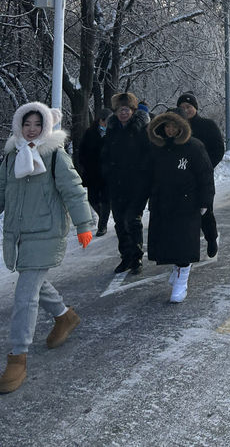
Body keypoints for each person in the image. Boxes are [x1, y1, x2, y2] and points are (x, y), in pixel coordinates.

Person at [0, 102, 93, 394]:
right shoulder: (11, 156)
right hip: (19, 234)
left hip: (47, 232)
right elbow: (2, 191)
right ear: (19, 126)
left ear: (45, 127)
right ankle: (65, 316)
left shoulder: (55, 156)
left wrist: (84, 225)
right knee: (35, 284)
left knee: (25, 293)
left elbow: (74, 191)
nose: (31, 129)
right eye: (26, 124)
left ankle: (18, 356)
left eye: (37, 125)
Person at [142, 110, 214, 303]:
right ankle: (177, 267)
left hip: (186, 204)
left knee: (184, 244)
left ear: (182, 127)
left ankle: (182, 281)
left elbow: (205, 176)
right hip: (163, 203)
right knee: (168, 241)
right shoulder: (157, 148)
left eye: (175, 126)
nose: (171, 130)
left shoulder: (194, 147)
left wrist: (205, 201)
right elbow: (147, 175)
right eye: (167, 126)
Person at [101, 91, 150, 275]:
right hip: (116, 183)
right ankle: (125, 257)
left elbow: (148, 153)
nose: (124, 113)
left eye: (127, 109)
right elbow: (105, 153)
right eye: (121, 110)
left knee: (132, 220)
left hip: (136, 183)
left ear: (133, 110)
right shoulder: (112, 129)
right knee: (120, 222)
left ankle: (136, 257)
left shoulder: (140, 128)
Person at [177, 92, 224, 258]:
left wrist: (206, 166)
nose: (186, 110)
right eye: (182, 107)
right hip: (181, 178)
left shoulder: (207, 125)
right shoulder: (174, 128)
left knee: (205, 211)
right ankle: (186, 246)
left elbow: (219, 149)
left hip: (202, 178)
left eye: (188, 107)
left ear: (195, 108)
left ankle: (211, 238)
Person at [78, 107, 112, 236]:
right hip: (92, 172)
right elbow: (82, 150)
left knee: (105, 200)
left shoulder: (113, 133)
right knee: (92, 199)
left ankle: (102, 225)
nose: (105, 124)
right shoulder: (90, 133)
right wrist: (84, 164)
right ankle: (103, 216)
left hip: (108, 173)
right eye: (104, 121)